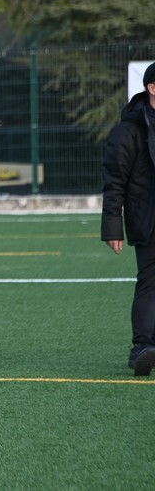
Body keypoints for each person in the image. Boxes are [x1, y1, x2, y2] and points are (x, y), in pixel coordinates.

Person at [102, 61, 155, 376]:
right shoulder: (128, 131)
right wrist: (112, 226)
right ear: (151, 88)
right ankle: (142, 348)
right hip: (148, 218)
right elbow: (114, 181)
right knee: (150, 281)